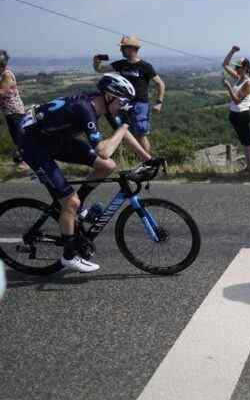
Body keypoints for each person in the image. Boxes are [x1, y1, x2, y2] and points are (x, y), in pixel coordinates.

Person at [17, 74, 152, 272]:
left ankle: (76, 210)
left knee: (107, 166)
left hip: (56, 139)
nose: (124, 107)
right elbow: (104, 150)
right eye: (123, 101)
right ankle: (69, 256)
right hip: (34, 146)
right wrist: (123, 128)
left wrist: (147, 158)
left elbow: (123, 134)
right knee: (70, 202)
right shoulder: (85, 109)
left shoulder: (100, 103)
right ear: (109, 96)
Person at [93, 35, 165, 154]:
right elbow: (100, 69)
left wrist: (159, 103)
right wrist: (96, 62)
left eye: (123, 47)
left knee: (140, 134)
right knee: (125, 133)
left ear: (132, 49)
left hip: (140, 104)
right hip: (123, 103)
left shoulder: (145, 66)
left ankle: (148, 161)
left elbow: (160, 84)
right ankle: (140, 160)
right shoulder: (121, 64)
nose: (121, 50)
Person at [222, 46, 250, 173]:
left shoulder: (248, 82)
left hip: (242, 114)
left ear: (245, 68)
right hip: (235, 114)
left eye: (238, 67)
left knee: (248, 142)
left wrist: (229, 87)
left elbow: (237, 100)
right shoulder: (238, 78)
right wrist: (232, 51)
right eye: (236, 67)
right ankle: (249, 167)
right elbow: (225, 64)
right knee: (244, 142)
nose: (236, 69)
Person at [0, 50, 26, 163]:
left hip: (15, 111)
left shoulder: (6, 74)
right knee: (17, 137)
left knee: (20, 137)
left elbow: (2, 92)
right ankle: (24, 161)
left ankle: (26, 162)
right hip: (9, 112)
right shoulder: (2, 75)